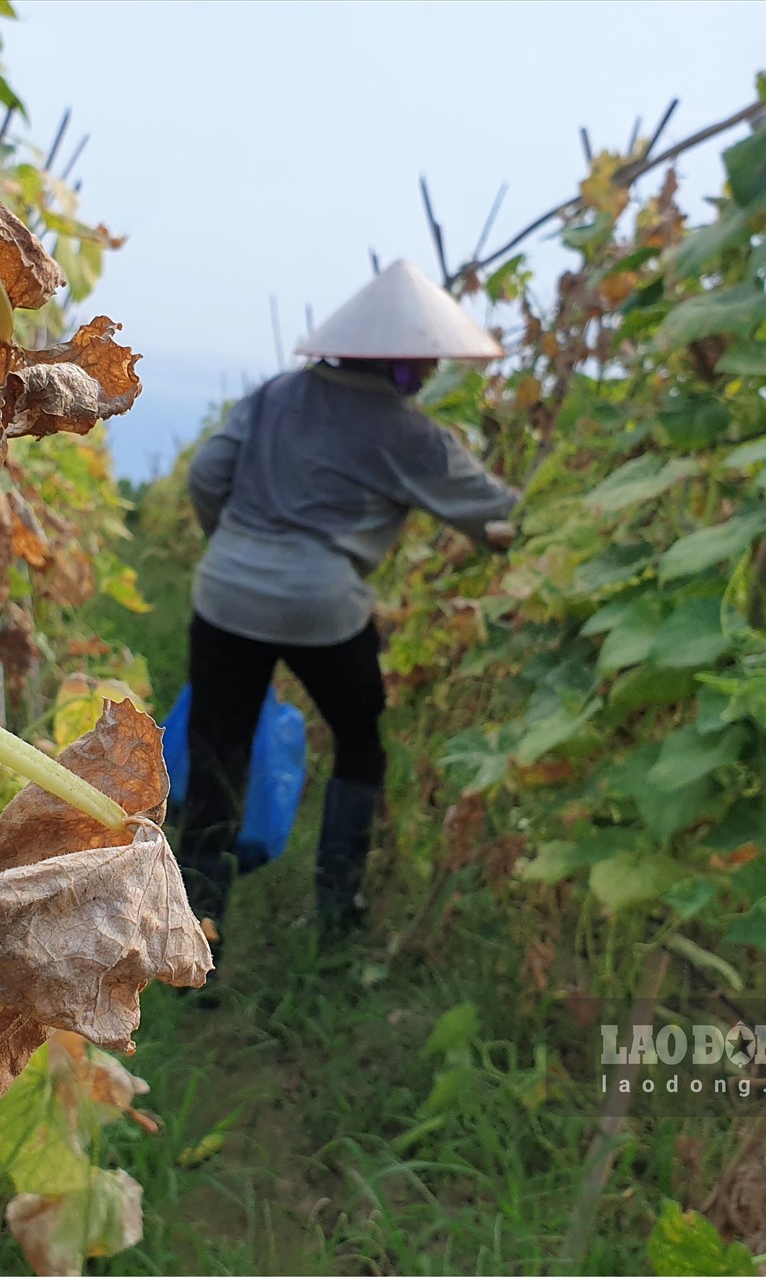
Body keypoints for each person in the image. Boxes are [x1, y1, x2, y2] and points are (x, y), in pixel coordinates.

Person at [179, 258, 518, 944]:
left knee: (217, 754)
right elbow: (498, 516)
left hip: (226, 593)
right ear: (397, 362)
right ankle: (339, 909)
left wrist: (237, 543)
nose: (426, 373)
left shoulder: (275, 393)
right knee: (360, 740)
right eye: (421, 361)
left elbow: (206, 474)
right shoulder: (410, 435)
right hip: (323, 605)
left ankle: (192, 930)